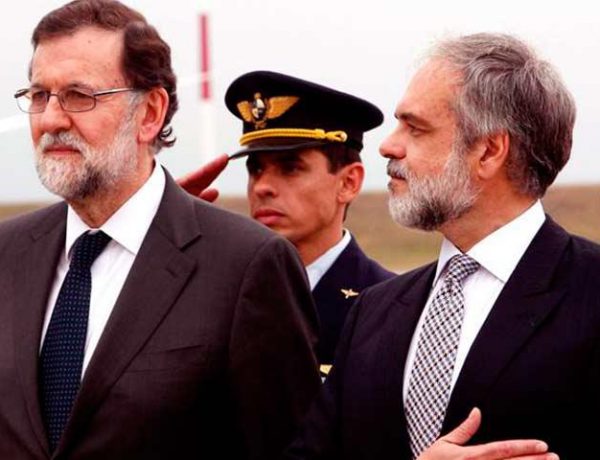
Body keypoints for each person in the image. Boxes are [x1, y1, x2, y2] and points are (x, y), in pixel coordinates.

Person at [0, 1, 320, 459]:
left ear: (150, 113)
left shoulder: (246, 266)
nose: (51, 119)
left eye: (79, 95)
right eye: (38, 96)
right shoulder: (8, 254)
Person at [284, 33, 598, 459]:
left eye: (415, 128)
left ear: (488, 151)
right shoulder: (373, 311)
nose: (388, 145)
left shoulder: (590, 293)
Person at [182, 71, 395, 371]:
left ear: (348, 183)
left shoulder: (391, 306)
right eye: (256, 169)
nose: (262, 187)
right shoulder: (214, 297)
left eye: (290, 168)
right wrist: (160, 240)